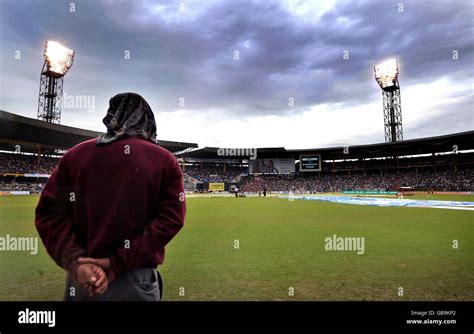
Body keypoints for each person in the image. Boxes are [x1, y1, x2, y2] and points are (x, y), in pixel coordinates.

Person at [35, 92, 186, 301]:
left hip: (82, 281)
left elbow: (49, 215)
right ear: (146, 118)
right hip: (136, 281)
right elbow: (171, 220)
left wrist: (77, 262)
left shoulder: (74, 155)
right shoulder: (164, 160)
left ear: (112, 115)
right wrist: (118, 264)